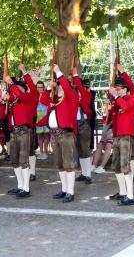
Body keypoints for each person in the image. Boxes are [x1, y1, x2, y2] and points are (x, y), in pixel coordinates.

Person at [37, 64, 79, 202]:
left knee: (68, 164)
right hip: (54, 134)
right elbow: (43, 99)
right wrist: (50, 86)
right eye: (59, 86)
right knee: (60, 164)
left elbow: (66, 86)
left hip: (66, 134)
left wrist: (59, 73)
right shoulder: (55, 101)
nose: (60, 87)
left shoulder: (71, 98)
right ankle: (64, 189)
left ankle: (70, 192)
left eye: (61, 86)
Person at [107, 66, 134, 206]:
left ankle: (130, 196)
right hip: (116, 135)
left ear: (125, 89)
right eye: (116, 88)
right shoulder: (117, 101)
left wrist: (116, 96)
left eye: (119, 88)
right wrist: (108, 110)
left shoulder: (132, 98)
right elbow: (108, 120)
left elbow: (125, 106)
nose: (117, 90)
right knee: (116, 165)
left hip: (126, 135)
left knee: (125, 165)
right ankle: (122, 192)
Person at [4, 71, 34, 199]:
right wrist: (5, 98)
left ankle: (26, 188)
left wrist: (11, 83)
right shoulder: (13, 101)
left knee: (23, 160)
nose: (15, 89)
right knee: (14, 160)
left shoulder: (27, 97)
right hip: (14, 132)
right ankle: (20, 185)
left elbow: (19, 94)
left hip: (23, 131)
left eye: (18, 87)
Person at [72, 67, 94, 185]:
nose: (75, 88)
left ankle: (88, 174)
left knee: (85, 150)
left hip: (84, 124)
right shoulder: (73, 96)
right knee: (80, 150)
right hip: (75, 124)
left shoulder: (86, 94)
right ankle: (84, 173)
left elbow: (80, 88)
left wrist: (75, 75)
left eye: (77, 86)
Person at [20, 64, 40, 181]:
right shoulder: (17, 97)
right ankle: (25, 171)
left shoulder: (32, 95)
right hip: (19, 126)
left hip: (30, 124)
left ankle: (32, 172)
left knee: (30, 149)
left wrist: (24, 71)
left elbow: (33, 87)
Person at [34, 81, 50, 160]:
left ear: (43, 87)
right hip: (38, 118)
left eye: (41, 87)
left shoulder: (46, 94)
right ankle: (41, 152)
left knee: (46, 135)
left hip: (45, 117)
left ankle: (45, 152)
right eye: (38, 87)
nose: (40, 88)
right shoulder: (34, 96)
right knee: (40, 136)